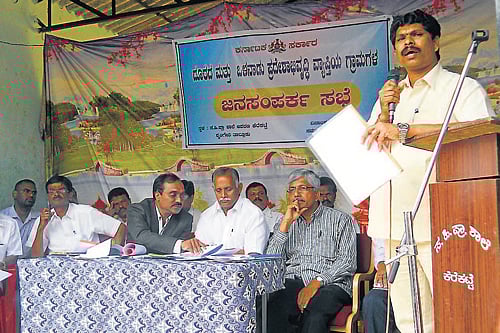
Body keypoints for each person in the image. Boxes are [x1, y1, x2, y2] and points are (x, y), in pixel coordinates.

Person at [361, 9, 494, 333]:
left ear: (435, 41)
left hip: (446, 223)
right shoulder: (388, 98)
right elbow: (368, 148)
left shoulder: (462, 88)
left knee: (457, 313)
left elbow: (480, 132)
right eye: (401, 39)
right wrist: (382, 115)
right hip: (394, 225)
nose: (408, 43)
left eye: (416, 35)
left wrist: (405, 130)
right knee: (409, 319)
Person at [264, 169, 356, 332]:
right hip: (293, 280)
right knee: (269, 309)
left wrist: (317, 282)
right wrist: (285, 224)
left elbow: (346, 262)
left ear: (316, 193)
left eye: (302, 188)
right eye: (292, 190)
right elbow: (272, 263)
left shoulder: (341, 220)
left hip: (331, 284)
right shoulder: (285, 222)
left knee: (314, 316)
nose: (296, 194)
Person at [28, 175, 126, 256]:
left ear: (70, 194)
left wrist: (114, 256)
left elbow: (120, 227)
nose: (56, 194)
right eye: (51, 191)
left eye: (61, 190)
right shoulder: (42, 219)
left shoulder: (86, 212)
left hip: (87, 265)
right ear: (48, 196)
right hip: (56, 268)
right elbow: (36, 257)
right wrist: (41, 228)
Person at [195, 167, 269, 254]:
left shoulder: (253, 214)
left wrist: (216, 253)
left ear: (239, 188)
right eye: (218, 190)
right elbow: (199, 252)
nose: (223, 195)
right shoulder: (206, 216)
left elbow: (253, 254)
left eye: (228, 189)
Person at [127, 173, 201, 254]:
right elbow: (141, 237)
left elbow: (179, 252)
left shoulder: (186, 219)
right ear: (158, 195)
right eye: (173, 195)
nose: (179, 200)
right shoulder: (137, 210)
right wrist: (178, 244)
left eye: (182, 195)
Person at [362, 238, 400, 333]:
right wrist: (382, 266)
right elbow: (380, 252)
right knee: (373, 301)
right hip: (390, 277)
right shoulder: (383, 224)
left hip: (414, 281)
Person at [0, 179, 39, 258]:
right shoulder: (2, 218)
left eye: (34, 193)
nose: (31, 195)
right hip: (5, 266)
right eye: (26, 191)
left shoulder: (40, 219)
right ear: (15, 194)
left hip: (32, 265)